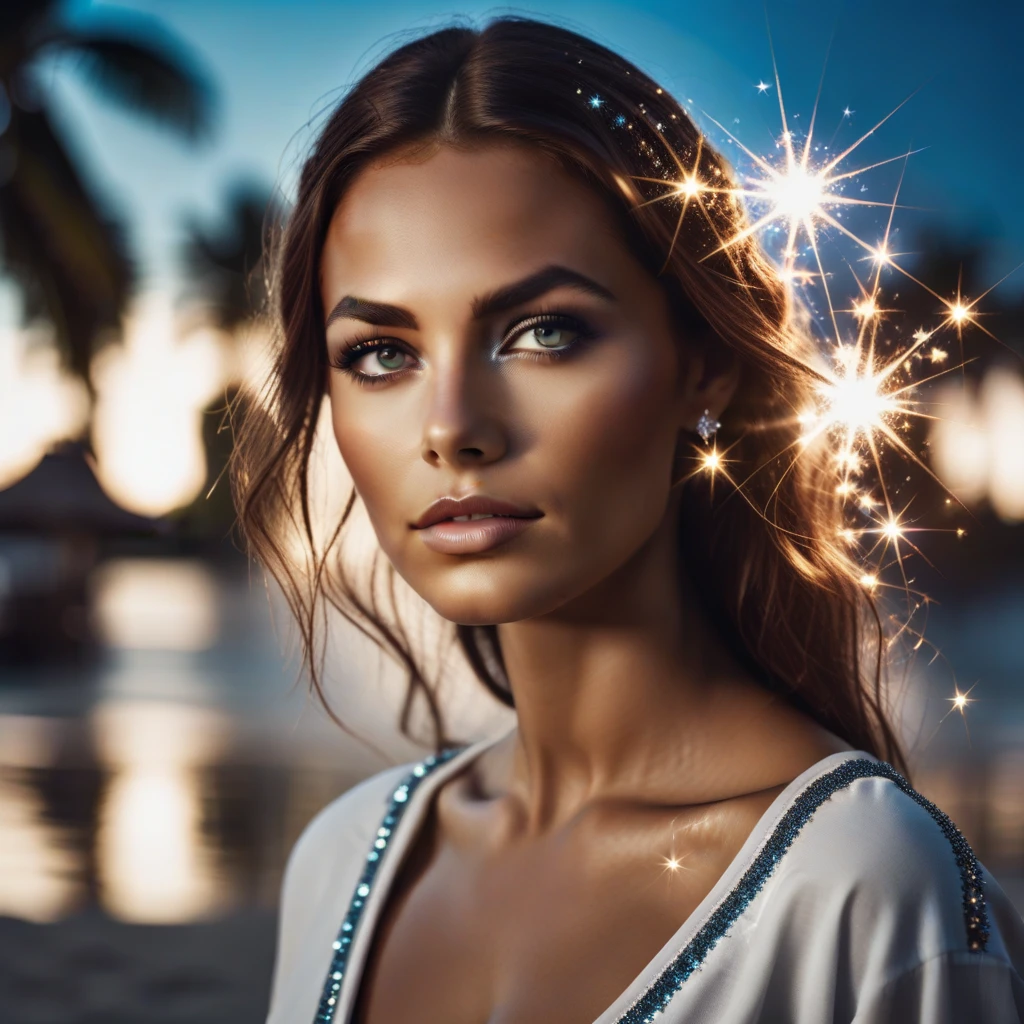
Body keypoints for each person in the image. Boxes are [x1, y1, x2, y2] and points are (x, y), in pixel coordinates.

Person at [233, 17, 1024, 1024]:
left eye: (542, 331)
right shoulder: (339, 863)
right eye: (382, 352)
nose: (451, 429)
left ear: (703, 363)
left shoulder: (867, 892)